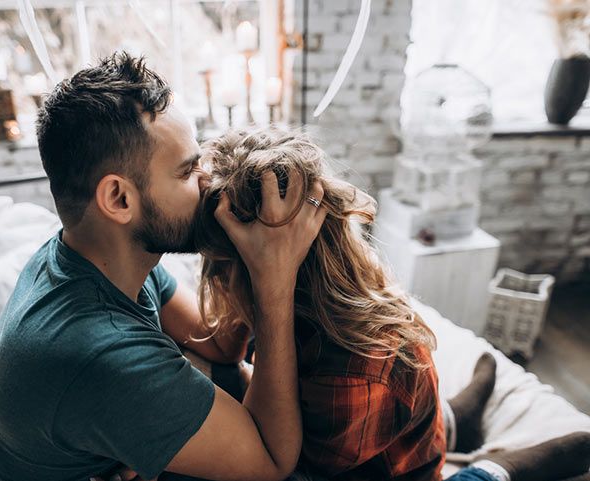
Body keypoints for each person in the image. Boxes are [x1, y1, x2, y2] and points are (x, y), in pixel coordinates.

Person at [0, 53, 325, 481]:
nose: (208, 181)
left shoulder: (97, 255)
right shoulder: (99, 353)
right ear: (119, 199)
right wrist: (275, 281)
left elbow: (217, 345)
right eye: (187, 170)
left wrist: (238, 245)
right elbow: (271, 461)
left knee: (230, 375)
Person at [195, 127, 590, 481]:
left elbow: (283, 465)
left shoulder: (353, 374)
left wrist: (264, 281)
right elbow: (234, 353)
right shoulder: (297, 319)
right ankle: (453, 418)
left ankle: (501, 467)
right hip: (381, 432)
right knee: (420, 421)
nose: (215, 280)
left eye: (221, 269)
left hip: (397, 470)